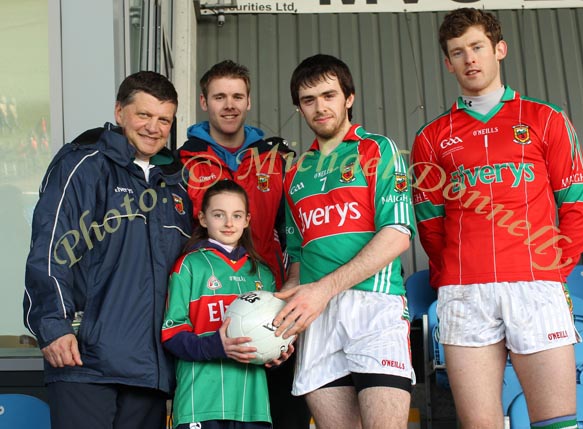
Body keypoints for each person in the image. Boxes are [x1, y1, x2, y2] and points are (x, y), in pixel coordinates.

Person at [411, 8, 583, 428]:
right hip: (465, 293)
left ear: (499, 49)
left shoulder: (546, 119)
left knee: (557, 423)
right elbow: (430, 224)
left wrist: (551, 268)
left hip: (536, 287)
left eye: (477, 47)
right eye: (458, 52)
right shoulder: (431, 137)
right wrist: (455, 272)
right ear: (448, 62)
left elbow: (579, 209)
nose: (469, 59)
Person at [23, 71, 193, 429]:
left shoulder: (175, 189)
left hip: (150, 371)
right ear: (120, 112)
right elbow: (50, 247)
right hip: (85, 362)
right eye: (143, 115)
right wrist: (52, 324)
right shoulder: (83, 165)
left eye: (164, 119)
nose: (153, 127)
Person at [274, 54, 416, 429]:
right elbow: (298, 257)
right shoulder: (294, 174)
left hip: (375, 306)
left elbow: (397, 235)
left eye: (328, 95)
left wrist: (321, 290)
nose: (320, 107)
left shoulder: (378, 150)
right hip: (317, 317)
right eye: (308, 100)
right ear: (299, 107)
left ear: (348, 98)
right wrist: (283, 320)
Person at [178, 60, 310, 429]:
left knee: (283, 415)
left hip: (270, 306)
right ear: (204, 102)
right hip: (209, 313)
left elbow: (295, 233)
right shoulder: (182, 163)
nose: (229, 104)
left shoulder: (275, 160)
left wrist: (291, 286)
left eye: (237, 96)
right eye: (219, 96)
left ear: (249, 101)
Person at [162, 179, 293, 429]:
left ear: (247, 220)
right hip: (198, 402)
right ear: (202, 218)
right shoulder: (188, 266)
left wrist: (277, 353)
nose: (229, 223)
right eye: (218, 215)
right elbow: (171, 335)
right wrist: (217, 347)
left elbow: (273, 333)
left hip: (252, 407)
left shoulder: (263, 275)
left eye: (237, 215)